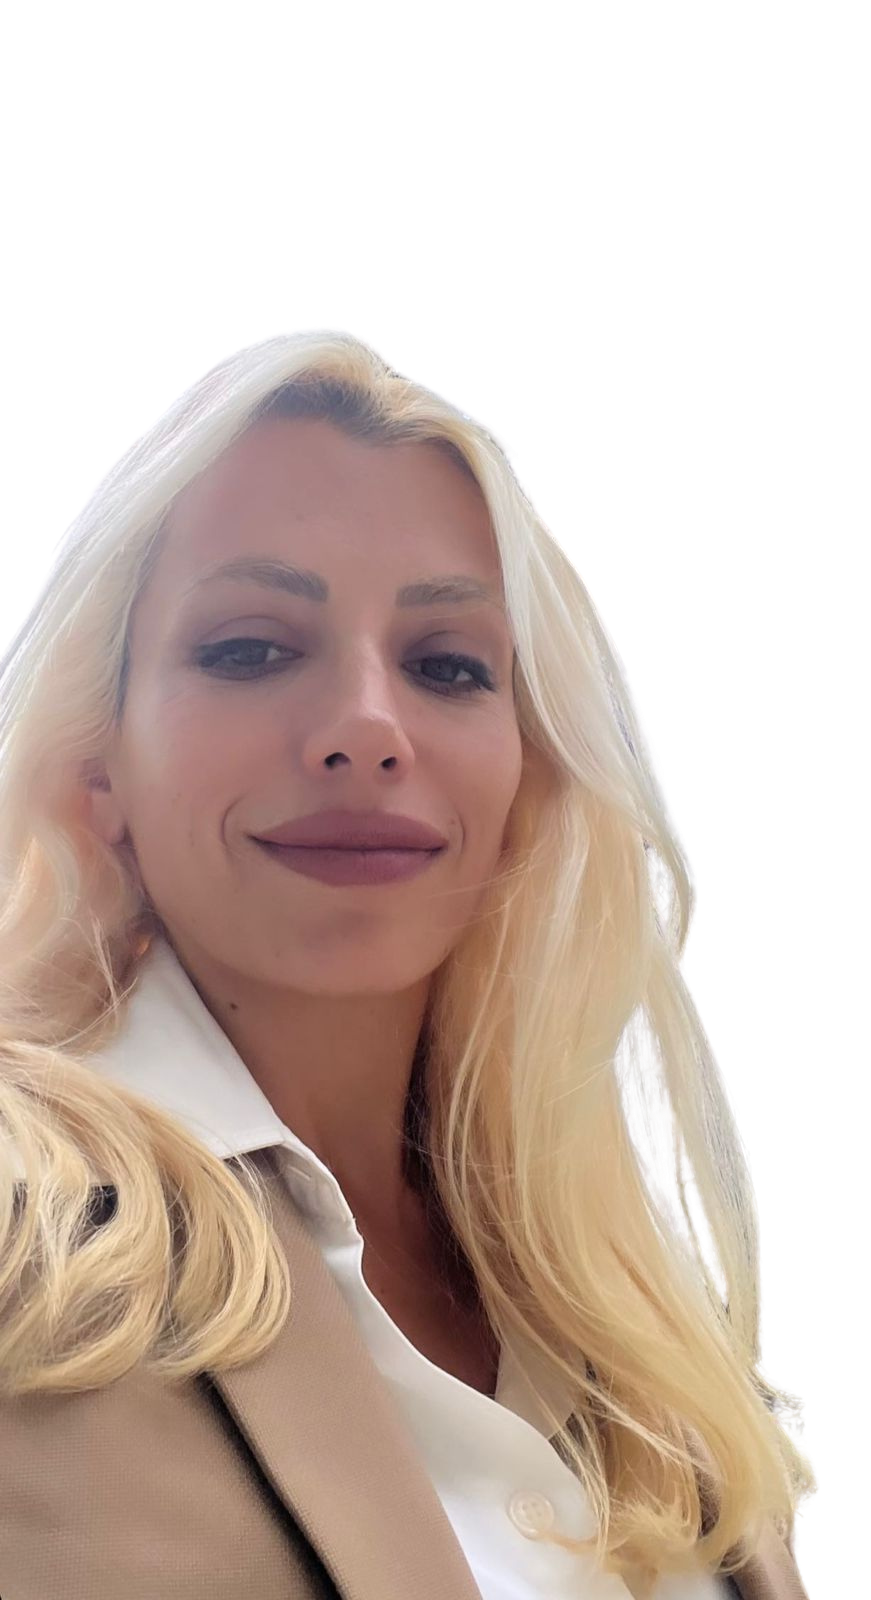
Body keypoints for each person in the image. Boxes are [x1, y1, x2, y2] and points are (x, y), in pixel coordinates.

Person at [0, 329, 816, 1599]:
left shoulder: (616, 1286)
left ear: (524, 774)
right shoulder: (19, 1232)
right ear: (100, 764)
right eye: (252, 647)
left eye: (447, 664)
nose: (368, 730)